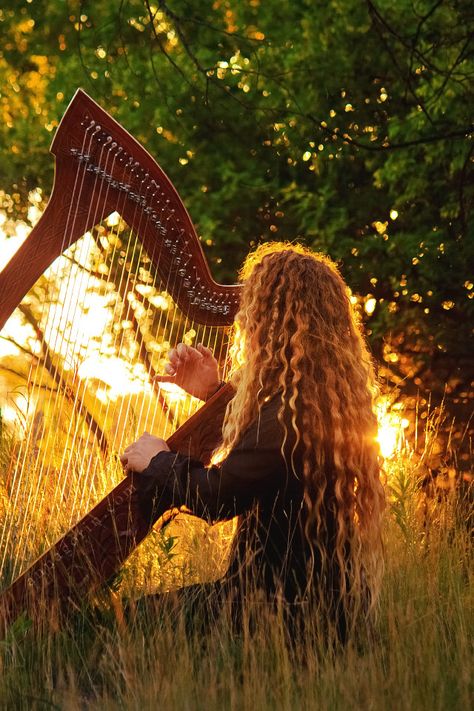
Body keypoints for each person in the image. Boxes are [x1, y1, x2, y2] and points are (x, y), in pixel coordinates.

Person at [120, 242, 385, 644]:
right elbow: (259, 459)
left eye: (252, 309)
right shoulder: (318, 401)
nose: (243, 321)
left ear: (275, 320)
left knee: (121, 624)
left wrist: (158, 460)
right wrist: (214, 392)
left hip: (276, 612)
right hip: (321, 605)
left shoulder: (289, 415)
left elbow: (219, 497)